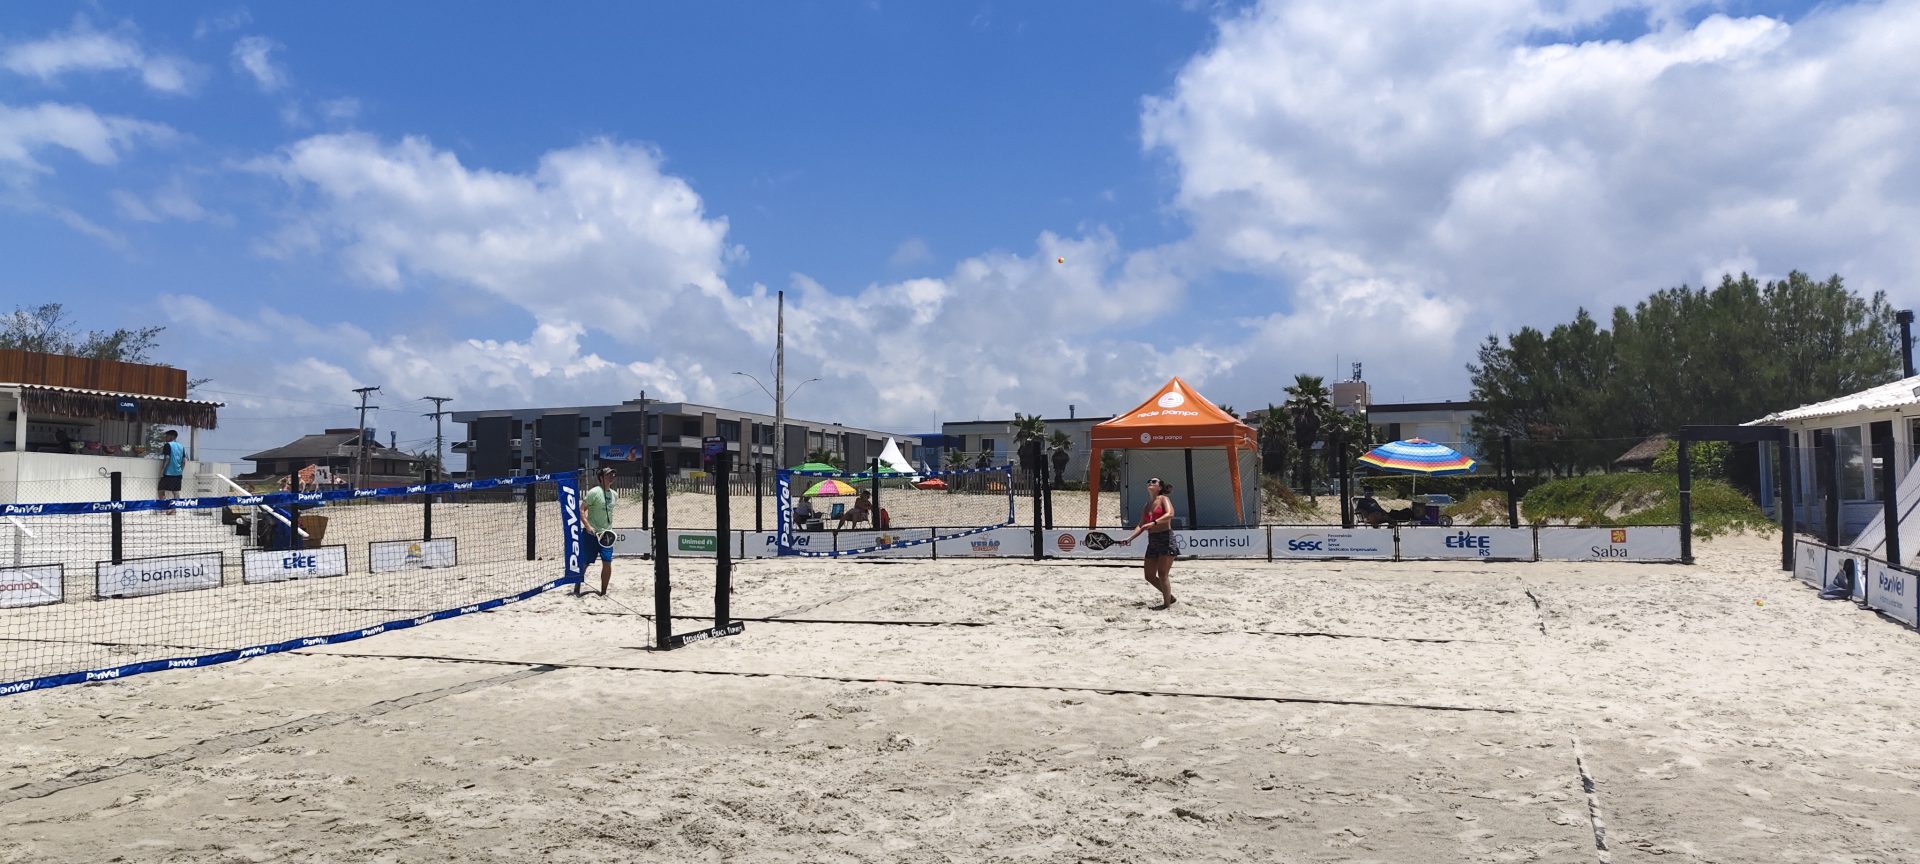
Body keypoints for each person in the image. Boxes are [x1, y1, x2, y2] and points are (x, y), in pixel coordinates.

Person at [1118, 477, 1178, 609]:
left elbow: (1170, 514)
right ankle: (1170, 597)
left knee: (1162, 574)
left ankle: (1166, 605)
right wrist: (1129, 539)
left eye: (1154, 481)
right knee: (1149, 576)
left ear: (1160, 487)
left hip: (1165, 538)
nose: (1150, 482)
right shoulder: (1147, 505)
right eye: (1149, 481)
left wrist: (1154, 523)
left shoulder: (1163, 499)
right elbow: (1141, 525)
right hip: (1153, 540)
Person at [580, 467, 617, 595]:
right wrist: (587, 526)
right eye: (608, 475)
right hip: (591, 534)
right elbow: (581, 510)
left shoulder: (614, 494)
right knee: (585, 562)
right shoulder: (594, 492)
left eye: (613, 474)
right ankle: (577, 586)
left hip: (606, 535)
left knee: (607, 562)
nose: (612, 476)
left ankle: (603, 592)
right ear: (601, 478)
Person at [157, 429, 187, 513]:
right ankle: (174, 509)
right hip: (178, 473)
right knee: (176, 492)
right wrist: (181, 470)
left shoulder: (168, 445)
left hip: (168, 472)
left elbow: (167, 458)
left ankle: (164, 508)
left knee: (161, 489)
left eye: (166, 436)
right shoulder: (181, 446)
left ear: (171, 436)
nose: (165, 438)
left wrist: (162, 470)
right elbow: (184, 461)